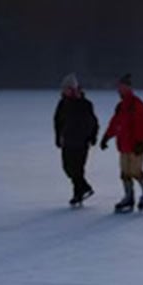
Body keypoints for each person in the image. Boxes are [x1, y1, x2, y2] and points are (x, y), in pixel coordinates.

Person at [100, 73, 143, 212]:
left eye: (123, 87)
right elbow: (115, 123)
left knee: (136, 172)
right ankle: (128, 197)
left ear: (129, 88)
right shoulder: (121, 106)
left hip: (136, 146)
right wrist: (106, 137)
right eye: (119, 87)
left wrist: (140, 142)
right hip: (123, 145)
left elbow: (141, 124)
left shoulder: (136, 104)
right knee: (125, 173)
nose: (120, 90)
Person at [53, 73, 98, 206]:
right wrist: (58, 137)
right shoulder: (62, 104)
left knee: (78, 169)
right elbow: (57, 122)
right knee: (68, 168)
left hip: (82, 142)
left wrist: (93, 137)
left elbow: (93, 122)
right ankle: (84, 188)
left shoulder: (85, 104)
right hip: (67, 141)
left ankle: (78, 194)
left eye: (67, 88)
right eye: (63, 89)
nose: (64, 91)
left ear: (73, 89)